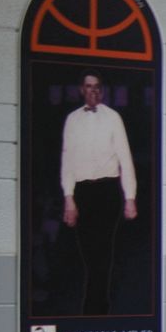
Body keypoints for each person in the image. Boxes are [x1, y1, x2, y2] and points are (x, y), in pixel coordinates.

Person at [59, 72, 138, 316]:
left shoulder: (113, 118)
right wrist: (69, 198)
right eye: (88, 87)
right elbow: (67, 159)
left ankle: (96, 307)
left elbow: (125, 158)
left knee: (103, 249)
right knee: (89, 251)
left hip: (107, 190)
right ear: (82, 90)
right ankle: (96, 301)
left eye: (96, 87)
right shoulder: (72, 120)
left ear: (101, 91)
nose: (92, 91)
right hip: (83, 191)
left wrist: (130, 198)